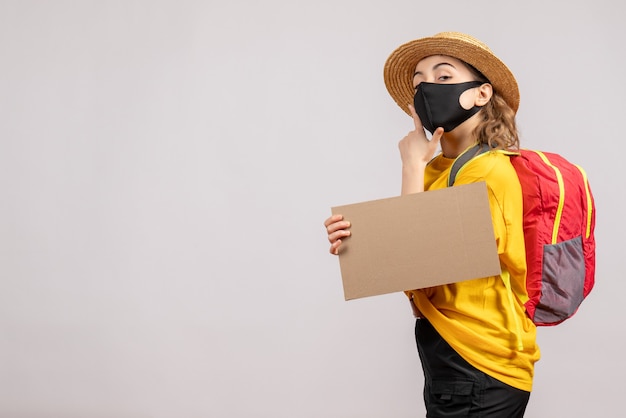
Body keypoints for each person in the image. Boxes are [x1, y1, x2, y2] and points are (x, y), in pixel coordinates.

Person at [324, 32, 541, 417]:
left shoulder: (488, 172)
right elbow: (419, 286)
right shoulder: (440, 169)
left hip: (480, 363)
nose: (427, 87)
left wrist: (410, 166)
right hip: (455, 357)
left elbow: (417, 269)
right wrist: (360, 243)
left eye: (443, 77)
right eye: (419, 81)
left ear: (482, 94)